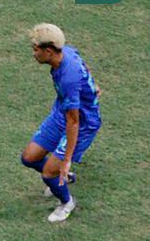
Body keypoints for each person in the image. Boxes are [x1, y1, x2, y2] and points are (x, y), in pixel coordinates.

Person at [20, 23, 102, 223]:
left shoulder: (68, 78)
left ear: (48, 51)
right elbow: (83, 65)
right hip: (61, 113)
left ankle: (66, 203)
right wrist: (93, 85)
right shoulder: (67, 51)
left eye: (36, 49)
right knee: (29, 158)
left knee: (49, 173)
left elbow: (73, 122)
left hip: (82, 123)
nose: (33, 54)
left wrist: (66, 161)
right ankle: (63, 177)